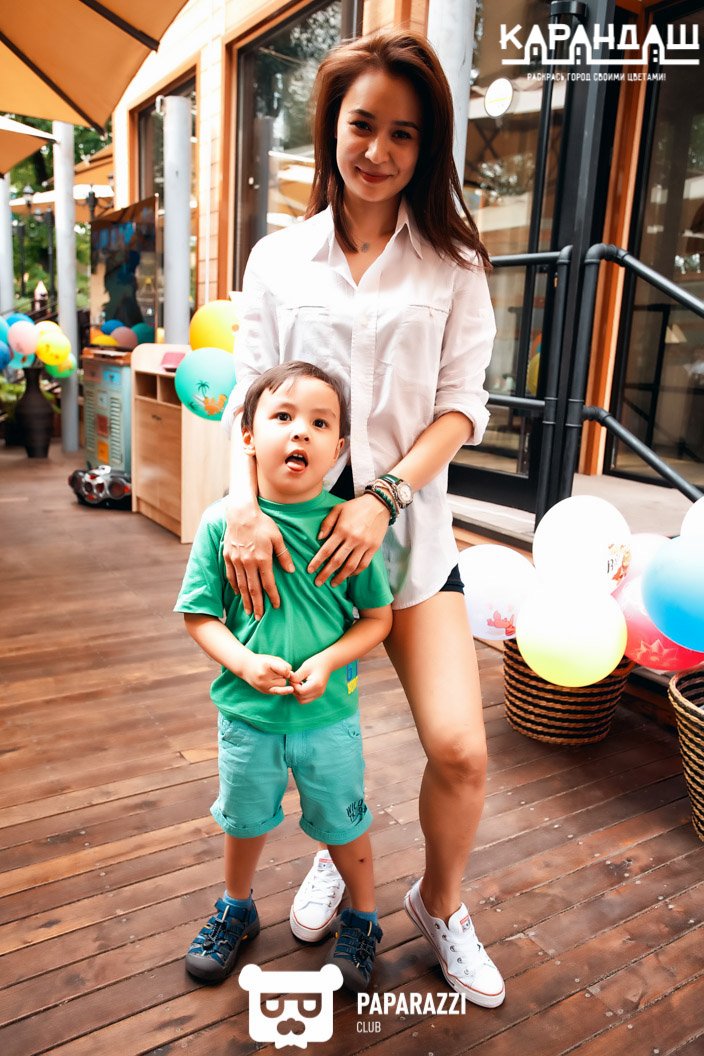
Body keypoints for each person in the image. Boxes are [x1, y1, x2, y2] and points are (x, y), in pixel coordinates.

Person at [221, 29, 505, 1008]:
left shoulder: (453, 264)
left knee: (460, 750)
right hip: (297, 551)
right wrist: (242, 509)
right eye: (361, 125)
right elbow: (245, 404)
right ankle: (337, 854)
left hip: (408, 541)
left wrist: (384, 498)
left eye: (403, 133)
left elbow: (460, 408)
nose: (377, 151)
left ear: (427, 148)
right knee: (308, 733)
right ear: (330, 128)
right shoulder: (277, 260)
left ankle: (438, 904)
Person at [176, 361, 393, 992]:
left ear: (339, 448)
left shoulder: (347, 527)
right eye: (283, 417)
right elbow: (199, 615)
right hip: (248, 717)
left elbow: (376, 620)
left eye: (320, 424)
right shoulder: (222, 523)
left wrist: (329, 661)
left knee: (344, 820)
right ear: (247, 435)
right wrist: (244, 663)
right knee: (243, 819)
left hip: (329, 718)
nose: (301, 432)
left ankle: (363, 917)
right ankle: (236, 907)